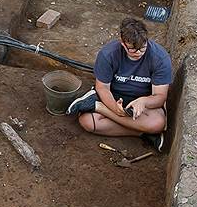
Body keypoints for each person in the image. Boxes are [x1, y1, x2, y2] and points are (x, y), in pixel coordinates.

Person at [66, 17, 172, 151]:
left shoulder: (160, 58)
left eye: (142, 48)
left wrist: (144, 101)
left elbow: (160, 96)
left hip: (144, 103)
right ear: (123, 42)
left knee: (158, 124)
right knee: (88, 122)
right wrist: (115, 109)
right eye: (133, 49)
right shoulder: (108, 54)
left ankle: (96, 106)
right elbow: (102, 88)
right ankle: (145, 133)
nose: (138, 53)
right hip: (114, 96)